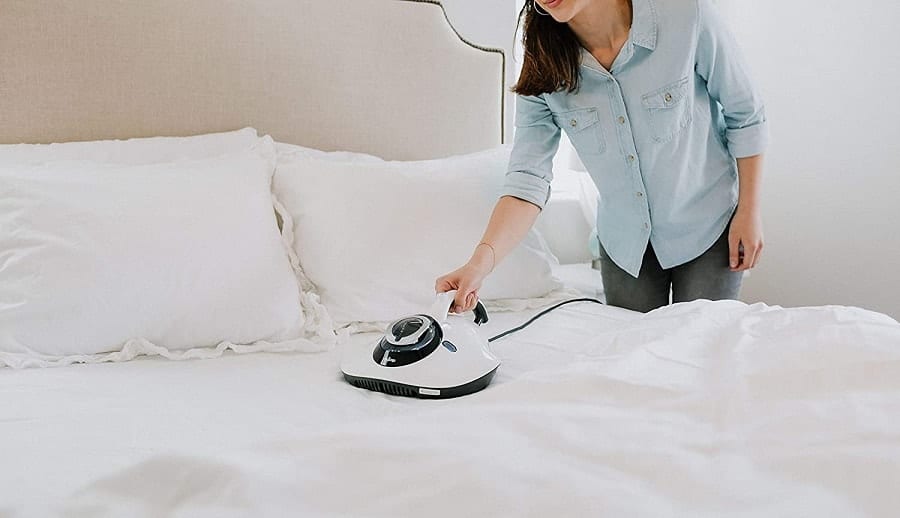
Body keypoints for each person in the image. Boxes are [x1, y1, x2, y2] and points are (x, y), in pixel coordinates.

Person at [436, 0, 768, 314]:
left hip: (708, 230)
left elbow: (746, 115)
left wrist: (749, 211)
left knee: (703, 354)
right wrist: (478, 265)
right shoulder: (542, 60)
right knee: (633, 363)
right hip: (626, 247)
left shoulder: (685, 15)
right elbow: (527, 180)